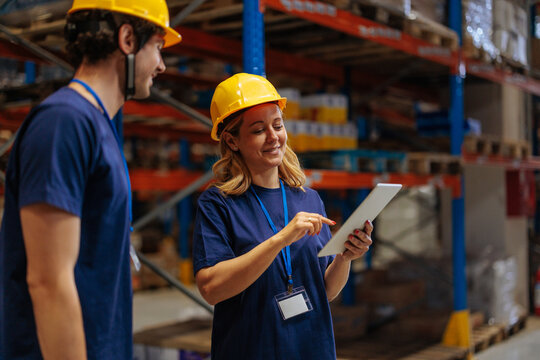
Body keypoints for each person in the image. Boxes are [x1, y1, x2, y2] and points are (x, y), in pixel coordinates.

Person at [0, 0, 181, 359]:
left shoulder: (96, 124)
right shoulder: (64, 123)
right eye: (157, 47)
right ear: (127, 39)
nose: (161, 64)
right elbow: (48, 281)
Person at [193, 73, 373, 359]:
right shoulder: (219, 204)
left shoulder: (308, 198)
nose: (274, 137)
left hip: (312, 349)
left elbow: (325, 290)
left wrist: (345, 257)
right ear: (232, 140)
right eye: (258, 130)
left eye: (277, 125)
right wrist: (282, 238)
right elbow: (211, 288)